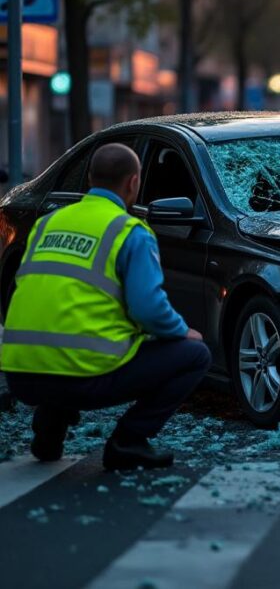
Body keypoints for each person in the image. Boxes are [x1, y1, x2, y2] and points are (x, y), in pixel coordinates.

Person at [1, 143, 211, 471]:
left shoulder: (48, 224)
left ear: (89, 178)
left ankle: (49, 430)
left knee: (66, 340)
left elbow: (35, 293)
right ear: (133, 183)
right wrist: (183, 331)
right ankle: (128, 441)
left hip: (20, 373)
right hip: (83, 377)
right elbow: (149, 310)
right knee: (195, 356)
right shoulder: (130, 232)